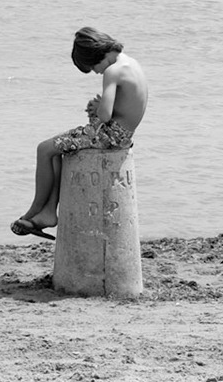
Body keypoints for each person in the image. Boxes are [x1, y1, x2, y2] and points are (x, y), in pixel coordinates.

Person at [12, 27, 148, 239]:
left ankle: (34, 211)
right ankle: (48, 212)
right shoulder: (131, 63)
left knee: (44, 149)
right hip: (123, 134)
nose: (96, 72)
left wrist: (97, 107)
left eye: (93, 67)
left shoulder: (113, 71)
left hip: (109, 136)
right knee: (56, 151)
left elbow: (104, 115)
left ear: (96, 56)